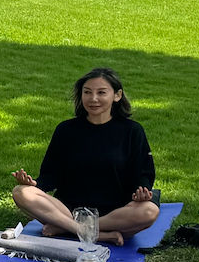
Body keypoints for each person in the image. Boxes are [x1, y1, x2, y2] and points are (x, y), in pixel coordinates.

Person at [12, 66, 158, 245]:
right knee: (21, 192)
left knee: (149, 211)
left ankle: (69, 228)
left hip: (115, 215)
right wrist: (35, 184)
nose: (93, 98)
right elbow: (51, 174)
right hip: (67, 210)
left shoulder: (132, 131)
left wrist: (141, 191)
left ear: (117, 95)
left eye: (101, 92)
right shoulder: (66, 130)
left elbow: (144, 173)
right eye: (87, 92)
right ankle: (88, 232)